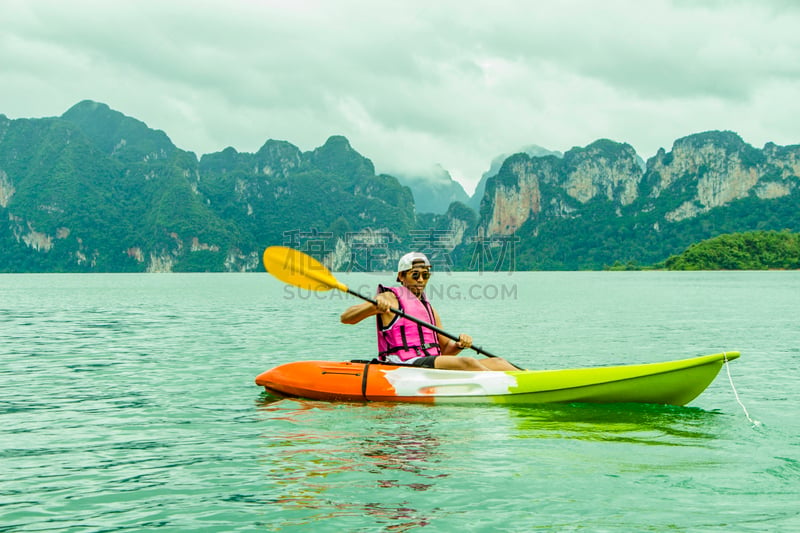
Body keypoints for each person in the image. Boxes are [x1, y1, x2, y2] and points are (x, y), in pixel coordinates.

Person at [340, 252, 518, 371]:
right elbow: (346, 318)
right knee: (468, 362)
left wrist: (458, 345)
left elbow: (444, 351)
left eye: (425, 275)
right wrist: (372, 307)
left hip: (428, 363)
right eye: (415, 274)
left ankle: (531, 378)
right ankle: (506, 388)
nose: (421, 280)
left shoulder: (429, 308)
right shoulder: (389, 298)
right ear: (401, 276)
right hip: (403, 363)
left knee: (498, 362)